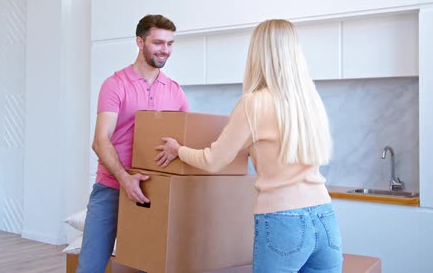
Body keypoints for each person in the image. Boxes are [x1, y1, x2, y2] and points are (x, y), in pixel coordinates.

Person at [155, 19, 343, 272]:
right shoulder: (309, 101)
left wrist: (178, 150)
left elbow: (213, 161)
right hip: (324, 215)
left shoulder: (254, 104)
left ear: (258, 54)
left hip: (283, 218)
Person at [77, 14, 190, 273]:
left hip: (154, 190)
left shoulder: (175, 91)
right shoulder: (115, 85)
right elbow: (100, 140)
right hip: (111, 188)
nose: (165, 50)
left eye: (170, 44)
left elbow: (186, 139)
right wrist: (125, 178)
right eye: (158, 43)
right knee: (90, 267)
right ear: (140, 42)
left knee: (145, 265)